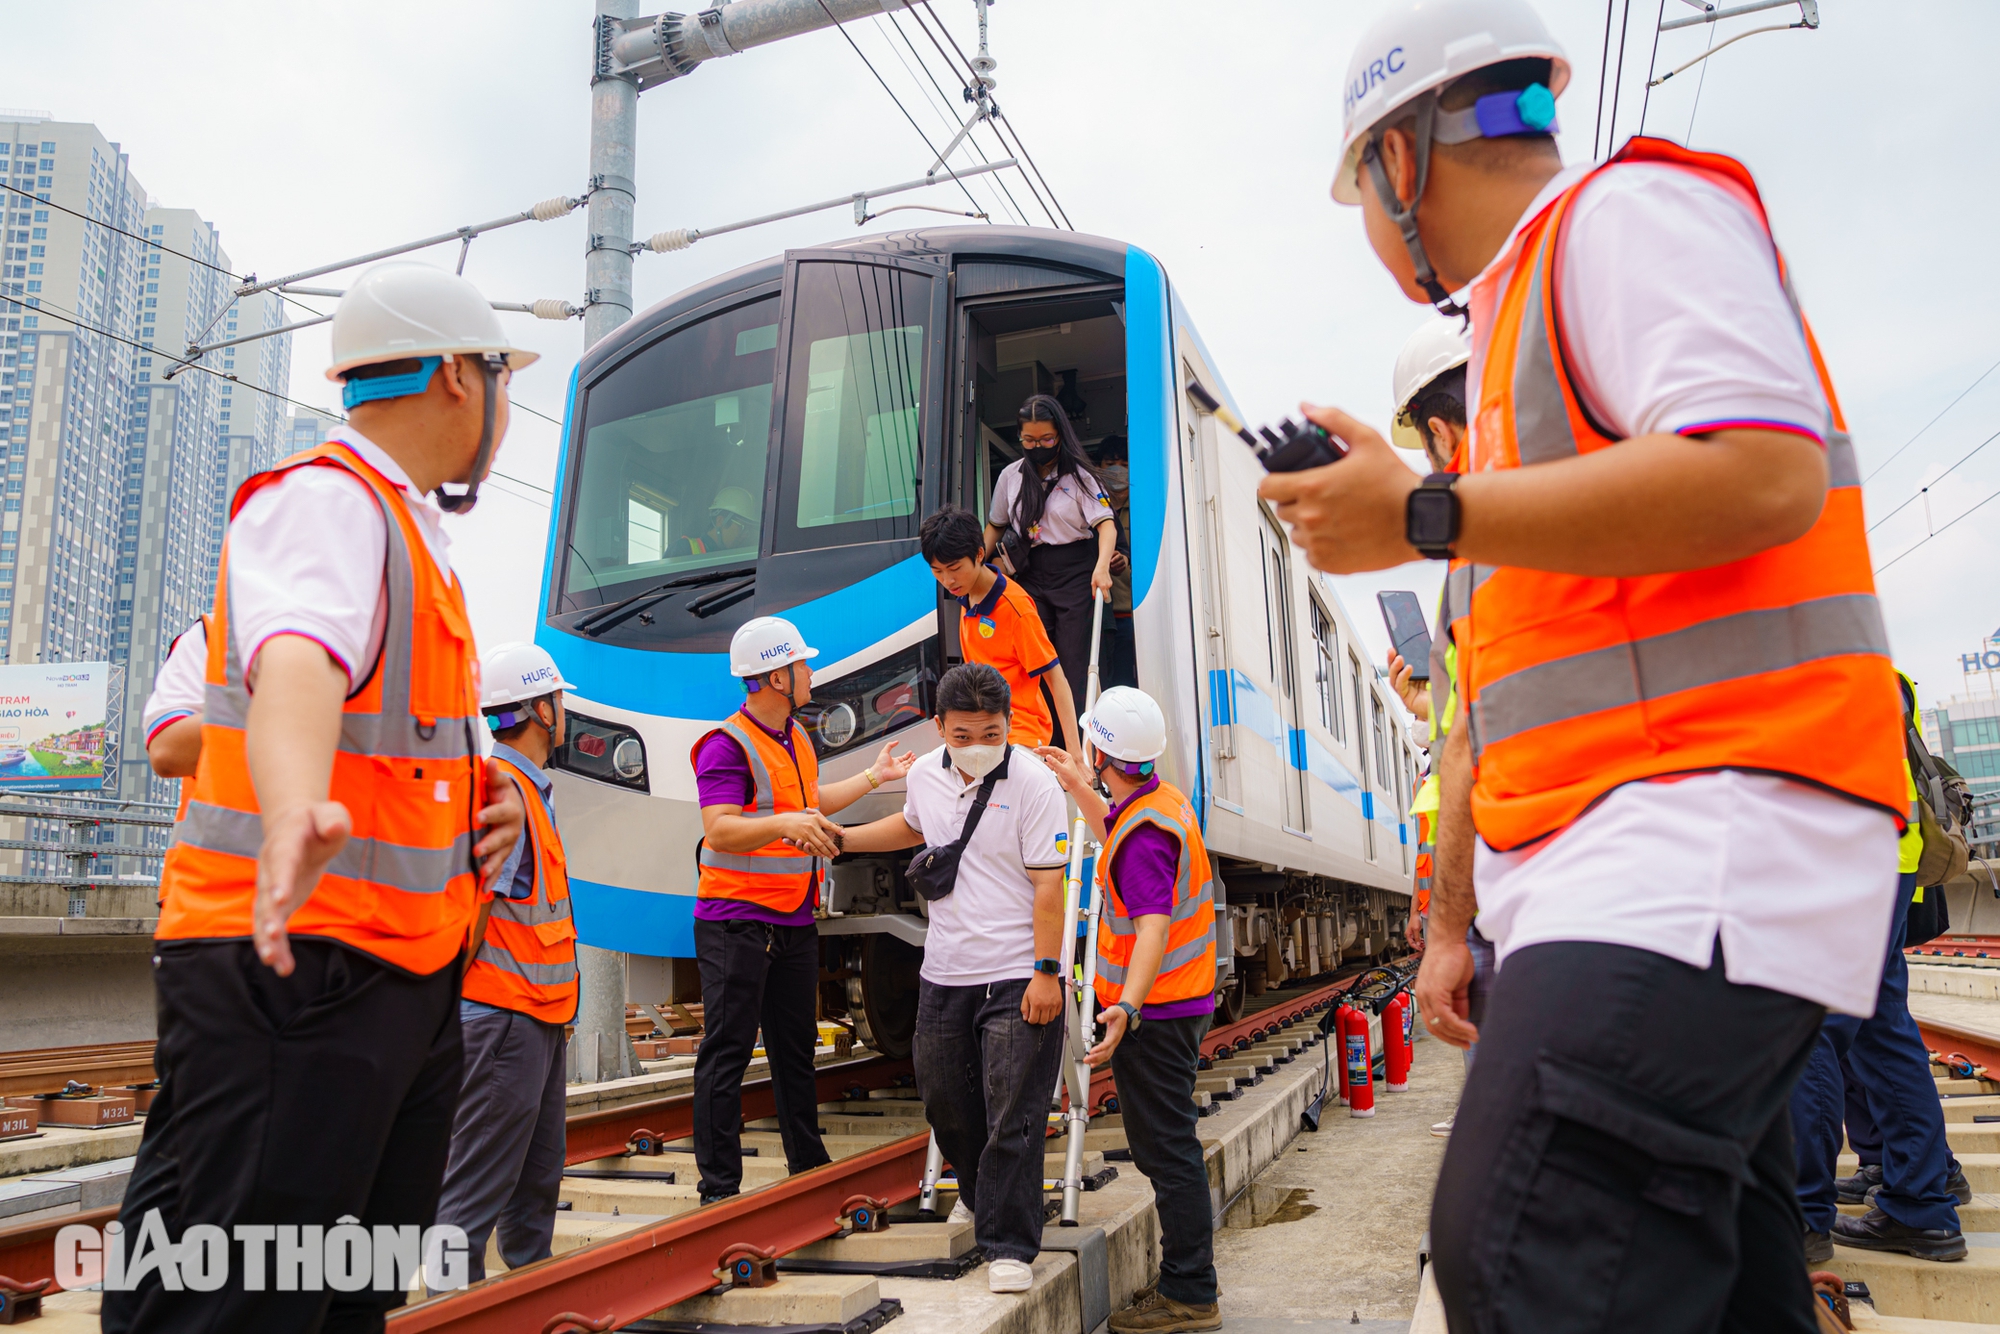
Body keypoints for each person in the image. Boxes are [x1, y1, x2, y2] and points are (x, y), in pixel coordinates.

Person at [1260, 2, 1909, 1326]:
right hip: (1623, 859)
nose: (1372, 230)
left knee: (1524, 1241)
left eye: (1361, 195)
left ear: (1400, 156)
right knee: (1710, 1278)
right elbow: (1493, 718)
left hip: (1706, 831)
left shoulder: (1620, 220)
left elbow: (1767, 471)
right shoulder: (1512, 366)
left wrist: (1424, 515)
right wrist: (1462, 918)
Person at [106, 261, 532, 1334]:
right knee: (251, 1294)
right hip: (304, 963)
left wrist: (499, 804)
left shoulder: (411, 531)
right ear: (453, 377)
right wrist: (298, 801)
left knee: (326, 1286)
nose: (506, 408)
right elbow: (296, 661)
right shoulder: (326, 499)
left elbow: (422, 742)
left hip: (391, 967)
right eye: (501, 378)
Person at [842, 663, 1069, 1296]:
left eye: (990, 732)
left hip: (1017, 973)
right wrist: (843, 840)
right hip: (944, 974)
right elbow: (915, 827)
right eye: (963, 734)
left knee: (1012, 1115)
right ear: (940, 728)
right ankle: (979, 1194)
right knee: (947, 1105)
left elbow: (1050, 885)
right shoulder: (924, 775)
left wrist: (1047, 974)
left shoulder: (1032, 783)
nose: (977, 745)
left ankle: (1010, 1247)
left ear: (1008, 725)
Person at [690, 615, 917, 1203]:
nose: (811, 671)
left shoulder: (793, 736)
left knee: (795, 1050)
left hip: (789, 918)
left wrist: (874, 776)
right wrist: (785, 824)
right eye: (802, 664)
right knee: (729, 1051)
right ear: (774, 676)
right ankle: (719, 1188)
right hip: (735, 921)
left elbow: (810, 802)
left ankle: (808, 1168)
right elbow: (718, 830)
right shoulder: (725, 745)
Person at [1038, 687, 1220, 1334]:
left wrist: (1128, 1008)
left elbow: (1151, 925)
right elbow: (1115, 826)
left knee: (1167, 1150)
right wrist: (1076, 783)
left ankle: (1190, 1294)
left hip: (1160, 1011)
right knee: (1168, 1146)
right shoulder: (1156, 804)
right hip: (1178, 1002)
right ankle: (1189, 1284)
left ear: (1103, 752)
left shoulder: (1145, 836)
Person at [1790, 670, 1970, 1263]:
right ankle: (1921, 1196)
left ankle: (1802, 1217)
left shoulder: (1821, 659)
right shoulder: (1879, 666)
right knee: (1880, 1029)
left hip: (1844, 858)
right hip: (1882, 853)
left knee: (1811, 1029)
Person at [431, 643, 583, 1288]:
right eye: (559, 700)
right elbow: (464, 912)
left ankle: (528, 1295)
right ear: (540, 710)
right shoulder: (502, 790)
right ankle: (444, 1306)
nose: (565, 711)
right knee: (475, 1185)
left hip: (535, 1016)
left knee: (535, 1179)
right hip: (500, 1017)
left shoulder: (527, 788)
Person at [984, 395, 1116, 743]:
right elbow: (995, 526)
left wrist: (1102, 568)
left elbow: (1106, 525)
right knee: (1036, 661)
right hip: (1030, 574)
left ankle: (1083, 748)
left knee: (1074, 662)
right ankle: (1041, 742)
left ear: (1060, 434)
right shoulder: (1011, 477)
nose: (1037, 447)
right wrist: (974, 565)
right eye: (1029, 440)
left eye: (1046, 440)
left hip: (1076, 571)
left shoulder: (1081, 478)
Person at [921, 505, 1083, 759]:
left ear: (979, 554)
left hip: (1021, 733)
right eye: (937, 571)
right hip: (982, 728)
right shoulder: (966, 594)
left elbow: (1057, 680)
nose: (947, 580)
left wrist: (1076, 756)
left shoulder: (1016, 608)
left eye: (954, 568)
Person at [670, 485, 759, 557]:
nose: (745, 535)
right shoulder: (684, 548)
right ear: (720, 521)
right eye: (742, 527)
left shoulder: (734, 559)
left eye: (748, 530)